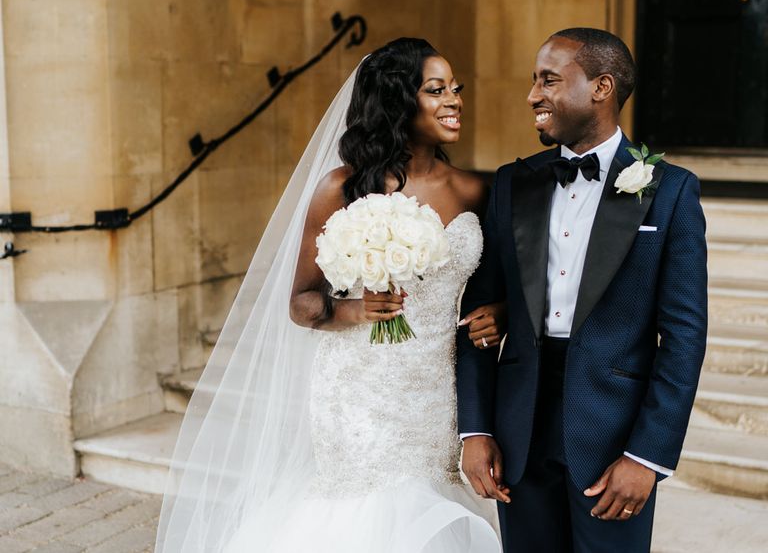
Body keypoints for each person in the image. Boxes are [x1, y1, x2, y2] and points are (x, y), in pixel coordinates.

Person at [156, 37, 504, 552]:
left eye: (455, 88)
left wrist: (497, 312)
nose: (454, 99)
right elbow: (301, 300)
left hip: (435, 389)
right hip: (357, 388)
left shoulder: (478, 189)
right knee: (368, 515)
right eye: (436, 90)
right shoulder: (342, 188)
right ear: (397, 101)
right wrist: (357, 308)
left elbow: (496, 288)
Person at [457, 27, 707, 553]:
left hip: (613, 435)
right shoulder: (511, 184)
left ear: (601, 87)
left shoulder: (670, 191)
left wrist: (647, 457)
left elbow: (683, 337)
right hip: (518, 432)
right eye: (533, 81)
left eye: (549, 80)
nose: (532, 96)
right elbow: (476, 312)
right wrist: (475, 429)